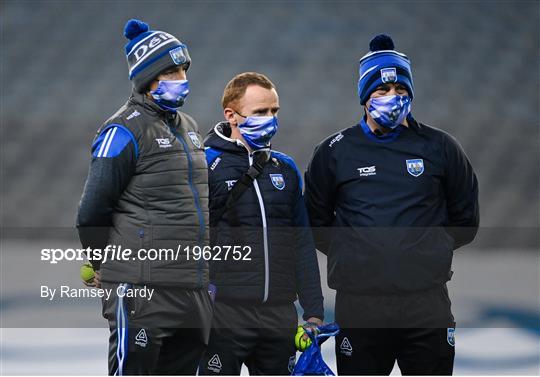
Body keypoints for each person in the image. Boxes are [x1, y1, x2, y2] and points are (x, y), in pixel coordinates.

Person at [304, 34, 479, 375]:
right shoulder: (333, 152)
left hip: (426, 304)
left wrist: (425, 251)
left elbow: (466, 220)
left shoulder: (441, 147)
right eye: (382, 91)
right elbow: (315, 223)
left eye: (400, 91)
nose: (392, 99)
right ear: (365, 96)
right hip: (360, 306)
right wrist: (359, 255)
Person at [76, 19, 212, 375]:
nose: (180, 77)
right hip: (142, 287)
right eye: (170, 70)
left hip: (191, 287)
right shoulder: (122, 130)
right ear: (147, 77)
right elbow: (92, 208)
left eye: (183, 68)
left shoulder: (191, 127)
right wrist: (99, 262)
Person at [199, 72, 324, 375]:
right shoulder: (203, 165)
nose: (270, 118)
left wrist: (314, 311)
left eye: (274, 111)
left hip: (279, 316)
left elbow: (301, 244)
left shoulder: (286, 168)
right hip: (223, 314)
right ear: (232, 115)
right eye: (260, 112)